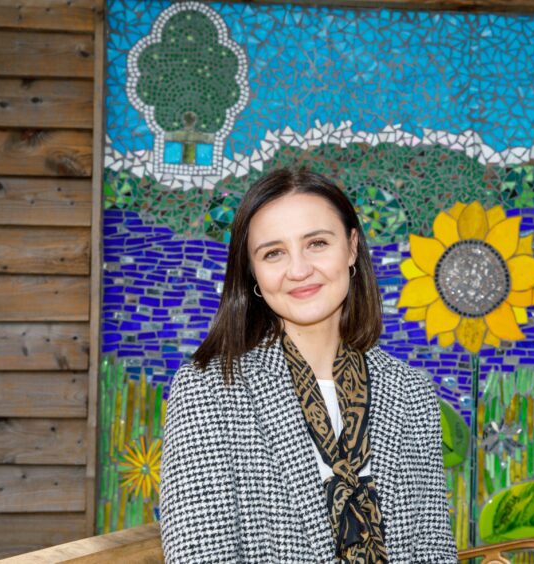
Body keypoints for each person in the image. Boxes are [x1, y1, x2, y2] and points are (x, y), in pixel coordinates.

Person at [159, 168, 458, 562]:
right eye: (273, 252)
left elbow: (433, 551)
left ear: (351, 247)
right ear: (253, 271)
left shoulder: (410, 393)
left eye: (316, 243)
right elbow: (200, 556)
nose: (298, 270)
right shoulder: (208, 391)